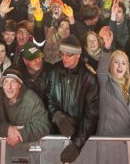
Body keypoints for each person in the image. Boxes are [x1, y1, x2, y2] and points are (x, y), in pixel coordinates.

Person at [45, 35, 99, 163]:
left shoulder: (89, 78)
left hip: (80, 138)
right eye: (62, 54)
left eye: (69, 55)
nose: (64, 58)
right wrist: (57, 115)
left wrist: (77, 144)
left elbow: (91, 115)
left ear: (78, 55)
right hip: (55, 135)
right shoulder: (54, 71)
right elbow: (48, 98)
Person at [95, 26, 130, 136]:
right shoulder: (106, 82)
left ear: (127, 67)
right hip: (107, 137)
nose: (120, 66)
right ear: (111, 65)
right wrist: (107, 47)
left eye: (123, 63)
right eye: (116, 62)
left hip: (125, 138)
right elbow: (101, 70)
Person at [0, 69, 50, 146]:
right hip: (1, 146)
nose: (9, 87)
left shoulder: (32, 99)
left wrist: (19, 134)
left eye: (13, 82)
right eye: (6, 82)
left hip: (27, 146)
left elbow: (43, 125)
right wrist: (7, 130)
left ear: (20, 84)